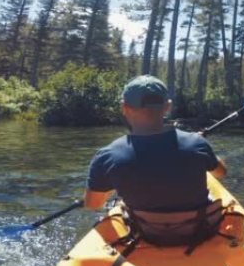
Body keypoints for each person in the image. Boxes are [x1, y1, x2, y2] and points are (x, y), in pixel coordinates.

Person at [84, 75, 227, 245]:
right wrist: (202, 146)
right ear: (167, 107)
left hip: (145, 233)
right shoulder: (196, 144)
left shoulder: (107, 156)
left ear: (124, 107)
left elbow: (93, 204)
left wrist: (110, 187)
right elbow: (220, 173)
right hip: (196, 231)